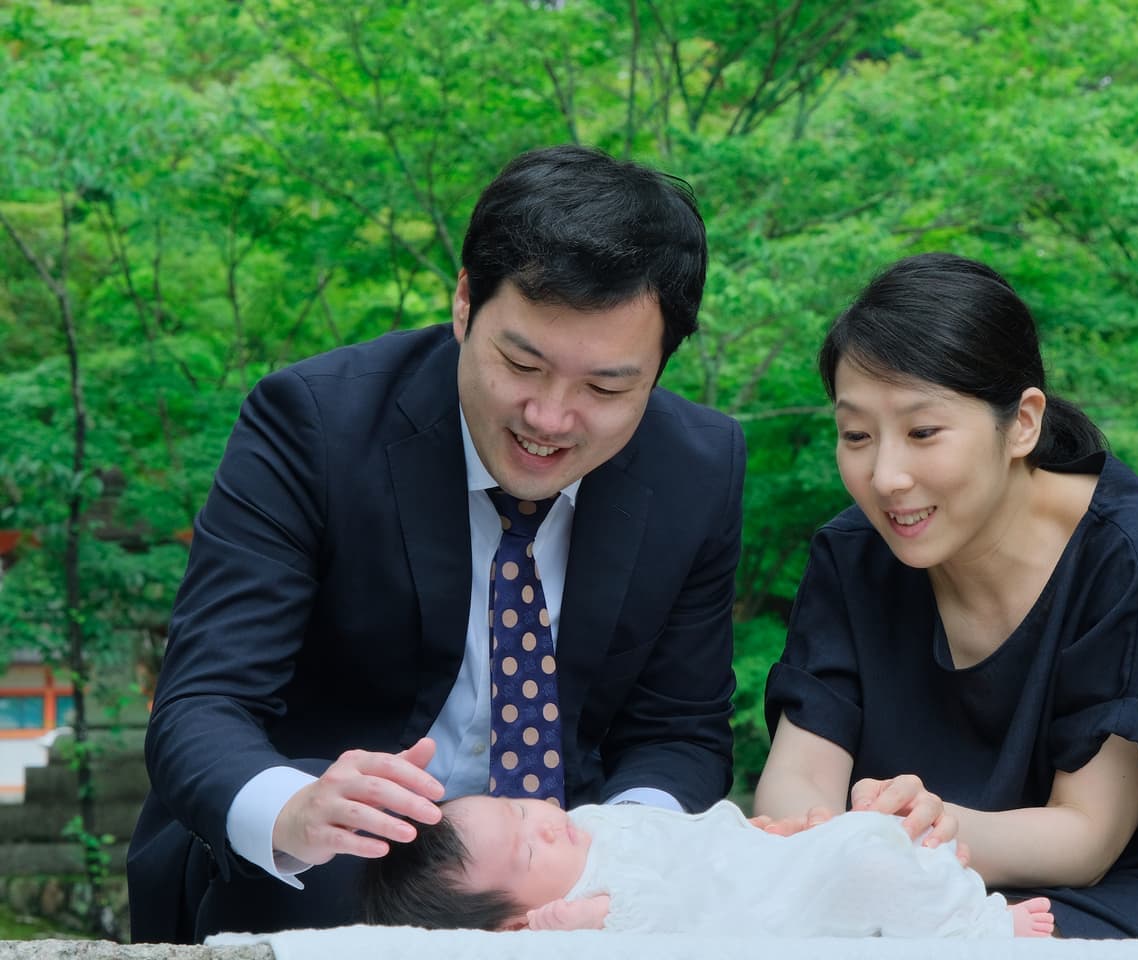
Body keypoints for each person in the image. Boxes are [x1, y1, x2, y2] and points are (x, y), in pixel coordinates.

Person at [128, 145, 745, 942]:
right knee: (344, 861)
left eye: (605, 388)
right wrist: (292, 808)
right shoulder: (313, 426)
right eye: (521, 363)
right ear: (463, 303)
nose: (550, 419)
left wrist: (620, 862)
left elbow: (678, 735)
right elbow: (201, 705)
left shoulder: (698, 467)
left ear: (660, 368)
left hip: (564, 852)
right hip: (331, 859)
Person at [752, 253, 1138, 952]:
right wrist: (817, 843)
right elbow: (801, 773)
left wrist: (898, 845)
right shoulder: (854, 555)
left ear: (1022, 423)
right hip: (946, 881)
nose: (886, 476)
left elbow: (1086, 836)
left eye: (923, 432)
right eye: (856, 435)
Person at [361, 795, 1056, 939]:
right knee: (868, 865)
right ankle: (985, 929)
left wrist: (748, 831)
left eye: (517, 806)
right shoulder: (594, 905)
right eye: (530, 848)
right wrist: (579, 921)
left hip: (759, 857)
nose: (544, 818)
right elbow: (665, 915)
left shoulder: (588, 826)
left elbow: (679, 831)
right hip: (766, 904)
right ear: (516, 922)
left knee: (870, 835)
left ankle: (964, 906)